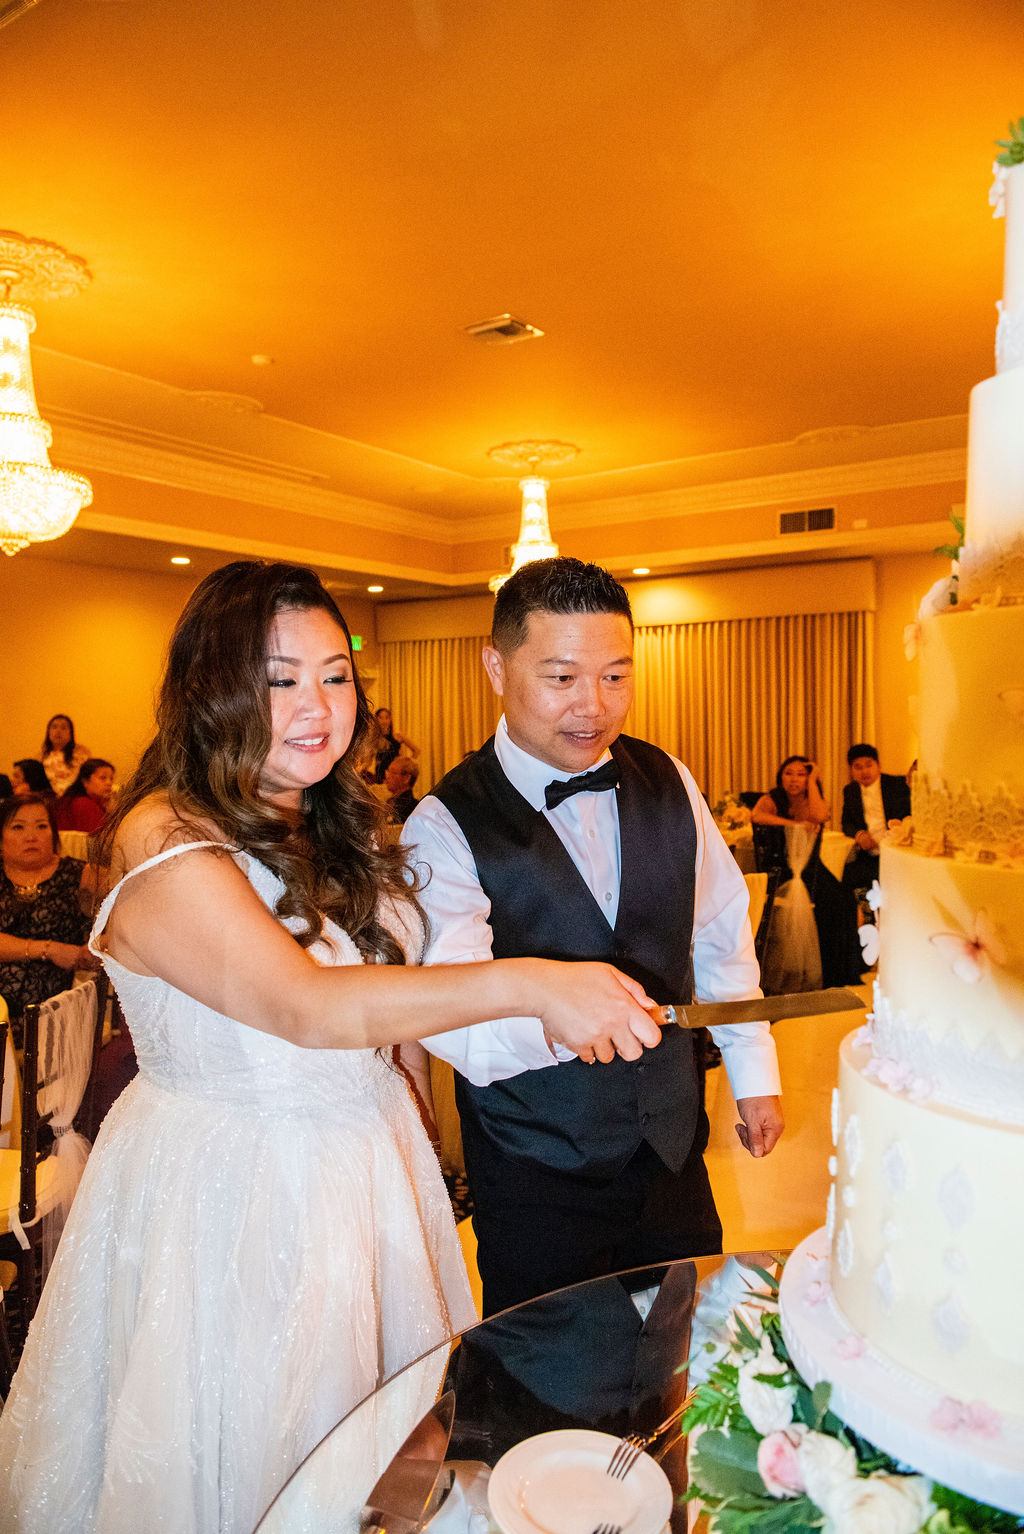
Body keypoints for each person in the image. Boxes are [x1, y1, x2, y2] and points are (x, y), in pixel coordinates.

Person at [0, 560, 661, 1533]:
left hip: (366, 1169)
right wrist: (533, 982)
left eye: (334, 675)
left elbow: (380, 1002)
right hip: (234, 1191)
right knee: (260, 1454)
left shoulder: (326, 816)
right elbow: (305, 1004)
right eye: (280, 679)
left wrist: (416, 1112)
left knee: (389, 1445)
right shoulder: (161, 833)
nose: (317, 706)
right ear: (212, 689)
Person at [403, 557, 783, 1315]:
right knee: (550, 1373)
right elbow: (453, 1018)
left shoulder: (669, 779)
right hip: (537, 1173)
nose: (594, 706)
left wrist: (755, 1073)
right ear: (496, 667)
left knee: (682, 1344)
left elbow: (720, 933)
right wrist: (562, 1022)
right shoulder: (442, 825)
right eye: (562, 678)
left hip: (671, 1151)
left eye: (616, 676)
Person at [0, 793, 101, 1043]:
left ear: (54, 835)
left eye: (41, 826)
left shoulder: (81, 874)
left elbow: (130, 901)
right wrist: (50, 949)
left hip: (51, 1008)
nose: (31, 836)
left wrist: (98, 943)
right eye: (18, 827)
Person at [752, 757, 860, 989]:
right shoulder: (772, 798)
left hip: (813, 869)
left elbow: (820, 816)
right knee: (831, 903)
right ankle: (822, 972)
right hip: (783, 872)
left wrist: (813, 779)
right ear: (781, 776)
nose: (794, 779)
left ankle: (838, 971)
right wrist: (793, 825)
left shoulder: (812, 800)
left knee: (845, 899)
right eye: (789, 773)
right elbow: (757, 816)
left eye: (801, 774)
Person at [841, 742, 911, 895]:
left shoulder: (898, 785)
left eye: (869, 765)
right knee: (842, 879)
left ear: (878, 765)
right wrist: (860, 835)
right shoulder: (851, 790)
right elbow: (846, 823)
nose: (864, 771)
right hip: (868, 856)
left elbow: (908, 817)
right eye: (858, 767)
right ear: (851, 771)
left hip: (896, 854)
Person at [54, 757, 116, 834]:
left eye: (111, 779)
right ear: (85, 781)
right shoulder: (83, 804)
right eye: (103, 778)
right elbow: (102, 837)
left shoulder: (93, 802)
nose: (109, 783)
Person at [40, 713, 90, 795]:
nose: (58, 731)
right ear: (48, 732)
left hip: (74, 795)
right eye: (54, 727)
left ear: (70, 733)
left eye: (63, 728)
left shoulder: (81, 754)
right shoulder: (41, 757)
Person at [371, 705, 419, 783]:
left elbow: (416, 750)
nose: (384, 721)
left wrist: (406, 765)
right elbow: (369, 759)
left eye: (387, 718)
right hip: (380, 775)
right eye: (381, 718)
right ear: (376, 720)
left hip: (395, 774)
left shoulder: (398, 736)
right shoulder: (374, 739)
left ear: (390, 720)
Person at [383, 753, 420, 823]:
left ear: (406, 778)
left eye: (392, 772)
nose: (387, 777)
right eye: (388, 772)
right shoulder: (390, 802)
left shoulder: (411, 808)